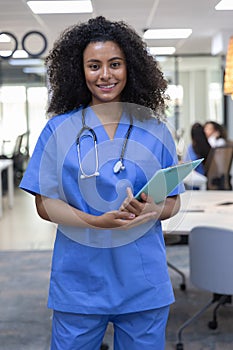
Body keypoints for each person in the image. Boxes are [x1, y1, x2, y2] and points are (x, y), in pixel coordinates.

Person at [19, 16, 183, 350]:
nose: (105, 75)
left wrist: (154, 209)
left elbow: (173, 201)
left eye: (115, 64)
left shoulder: (156, 129)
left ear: (130, 68)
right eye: (94, 65)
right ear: (78, 71)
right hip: (80, 280)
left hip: (142, 279)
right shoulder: (57, 130)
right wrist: (96, 221)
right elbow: (43, 204)